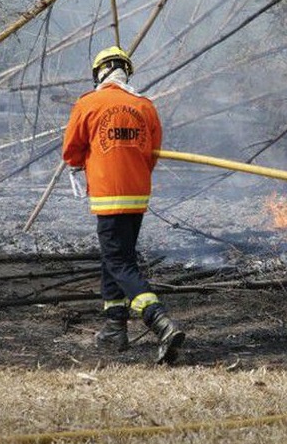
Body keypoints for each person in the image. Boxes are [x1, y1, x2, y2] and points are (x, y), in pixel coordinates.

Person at [62, 46, 185, 365]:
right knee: (114, 258)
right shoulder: (145, 106)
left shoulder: (89, 103)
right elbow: (153, 153)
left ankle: (160, 322)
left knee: (119, 263)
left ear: (99, 72)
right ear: (125, 71)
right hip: (138, 195)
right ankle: (114, 329)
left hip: (107, 195)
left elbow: (71, 152)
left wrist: (91, 161)